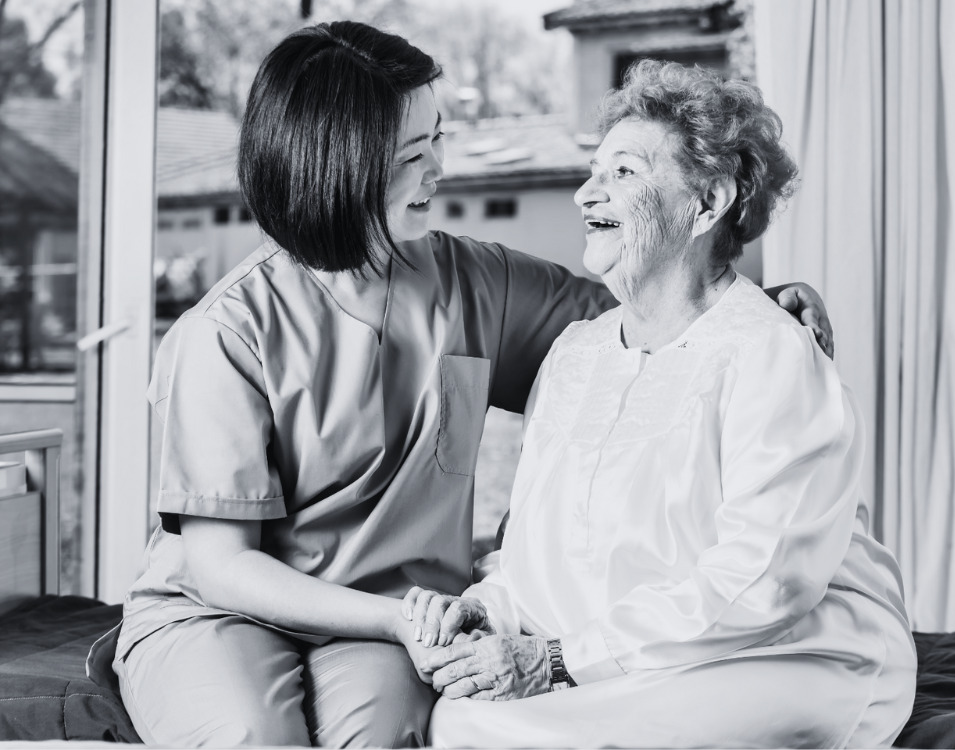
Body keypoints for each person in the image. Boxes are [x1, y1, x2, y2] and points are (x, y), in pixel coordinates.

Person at [87, 22, 834, 749]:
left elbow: (654, 319)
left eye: (438, 137)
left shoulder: (478, 281)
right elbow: (222, 565)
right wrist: (397, 622)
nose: (441, 167)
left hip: (398, 617)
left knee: (385, 736)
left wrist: (761, 307)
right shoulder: (226, 332)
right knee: (251, 736)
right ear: (341, 167)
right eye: (415, 152)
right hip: (229, 614)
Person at [405, 60, 917, 749]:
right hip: (607, 658)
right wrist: (482, 613)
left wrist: (555, 661)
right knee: (463, 718)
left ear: (707, 203)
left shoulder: (772, 354)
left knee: (506, 731)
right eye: (593, 171)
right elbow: (531, 551)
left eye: (624, 172)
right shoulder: (575, 354)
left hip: (775, 652)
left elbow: (762, 584)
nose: (588, 192)